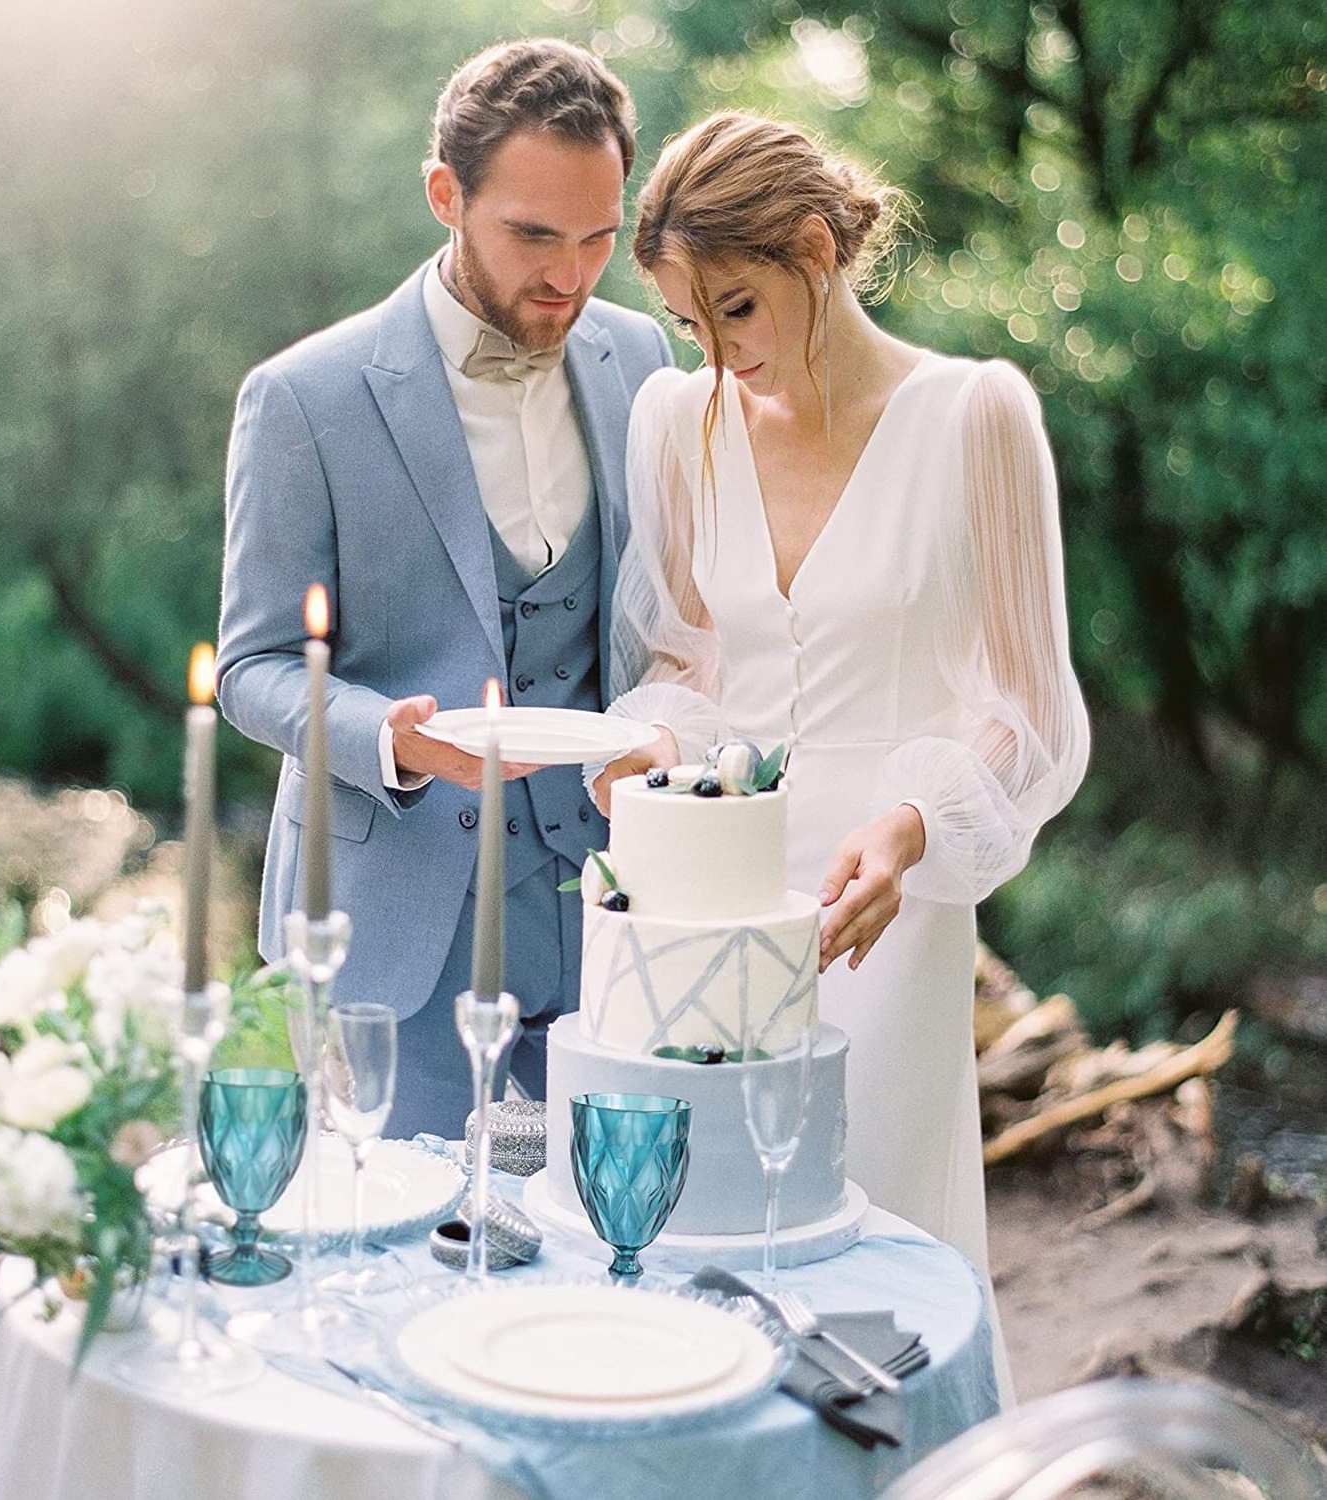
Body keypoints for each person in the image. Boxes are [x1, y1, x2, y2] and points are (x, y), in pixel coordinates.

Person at [592, 112, 1089, 1399]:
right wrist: (651, 754)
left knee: (873, 1263)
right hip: (714, 904)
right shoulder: (679, 421)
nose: (716, 357)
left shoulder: (976, 416)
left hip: (884, 908)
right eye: (691, 326)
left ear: (819, 250)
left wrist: (916, 821)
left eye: (739, 310)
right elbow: (690, 668)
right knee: (691, 1247)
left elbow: (1026, 703)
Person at [217, 40, 672, 1139]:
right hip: (396, 934)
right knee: (411, 1265)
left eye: (599, 238)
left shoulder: (644, 360)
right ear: (445, 196)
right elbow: (251, 669)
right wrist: (392, 738)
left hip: (607, 917)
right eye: (532, 236)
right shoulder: (303, 399)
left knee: (599, 1242)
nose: (570, 275)